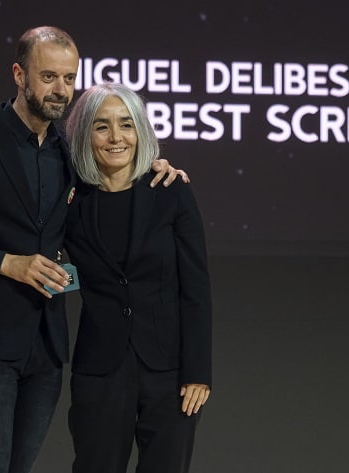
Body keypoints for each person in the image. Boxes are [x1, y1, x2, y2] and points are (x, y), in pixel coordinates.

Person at [0, 26, 185, 473]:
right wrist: (5, 263)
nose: (61, 89)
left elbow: (111, 179)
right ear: (19, 75)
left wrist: (151, 167)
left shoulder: (70, 154)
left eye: (69, 78)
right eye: (48, 76)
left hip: (47, 347)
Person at [64, 82, 212, 473]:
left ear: (140, 131)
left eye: (126, 124)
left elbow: (196, 289)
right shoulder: (70, 200)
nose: (116, 137)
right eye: (102, 126)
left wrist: (198, 372)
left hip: (170, 372)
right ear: (85, 135)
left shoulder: (171, 191)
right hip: (100, 368)